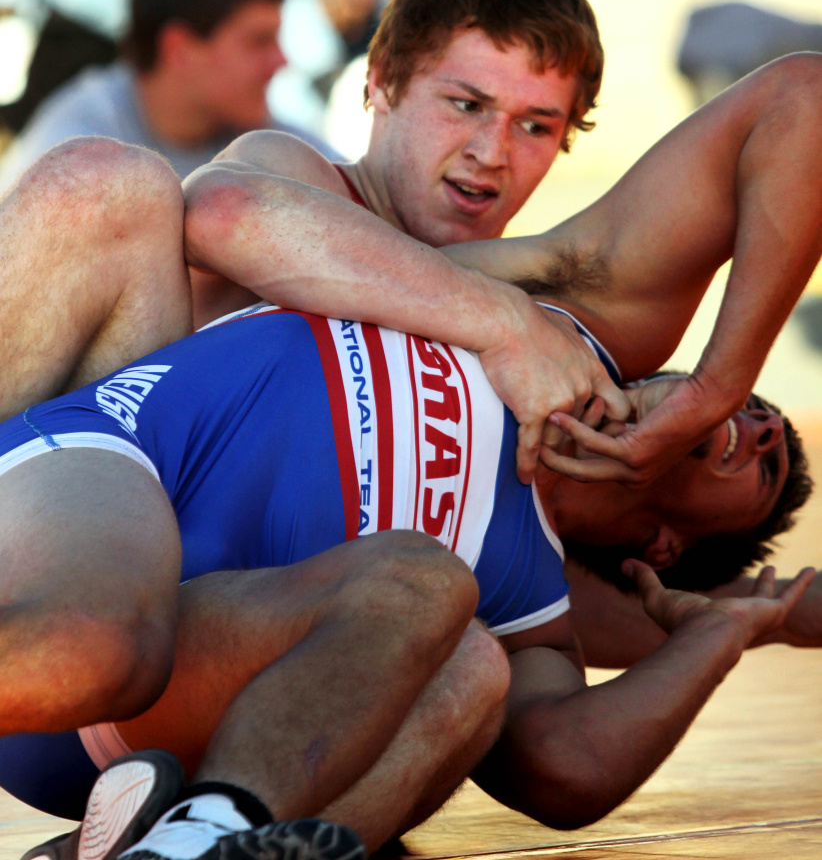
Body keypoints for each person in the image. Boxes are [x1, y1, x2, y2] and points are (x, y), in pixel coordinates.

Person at [0, 298, 814, 860]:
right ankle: (196, 835)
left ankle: (190, 843)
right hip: (75, 537)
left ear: (668, 546)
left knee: (468, 662)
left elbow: (569, 774)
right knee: (425, 590)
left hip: (148, 707)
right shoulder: (533, 324)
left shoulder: (534, 607)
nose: (764, 422)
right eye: (755, 401)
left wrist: (718, 635)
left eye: (767, 461)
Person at [0, 0, 336, 189]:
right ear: (180, 50)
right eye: (259, 42)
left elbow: (353, 185)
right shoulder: (70, 156)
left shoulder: (259, 134)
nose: (282, 62)